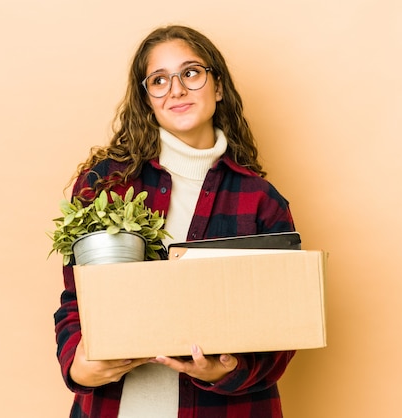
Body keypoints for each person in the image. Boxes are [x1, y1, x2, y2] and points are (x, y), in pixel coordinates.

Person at [54, 25, 297, 418]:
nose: (176, 90)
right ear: (146, 98)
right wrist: (81, 367)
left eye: (190, 73)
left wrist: (228, 369)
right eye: (159, 80)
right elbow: (76, 301)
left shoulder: (261, 201)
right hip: (120, 407)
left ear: (217, 86)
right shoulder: (106, 184)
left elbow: (285, 326)